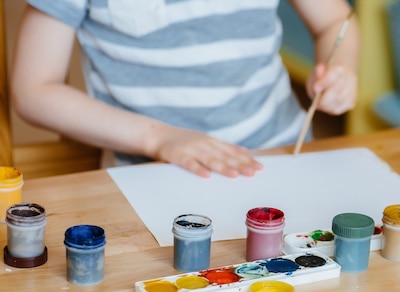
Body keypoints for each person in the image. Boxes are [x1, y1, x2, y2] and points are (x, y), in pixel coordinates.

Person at [10, 0, 359, 178]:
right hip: (148, 175)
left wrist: (341, 67)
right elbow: (34, 91)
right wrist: (158, 138)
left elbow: (334, 22)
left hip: (281, 156)